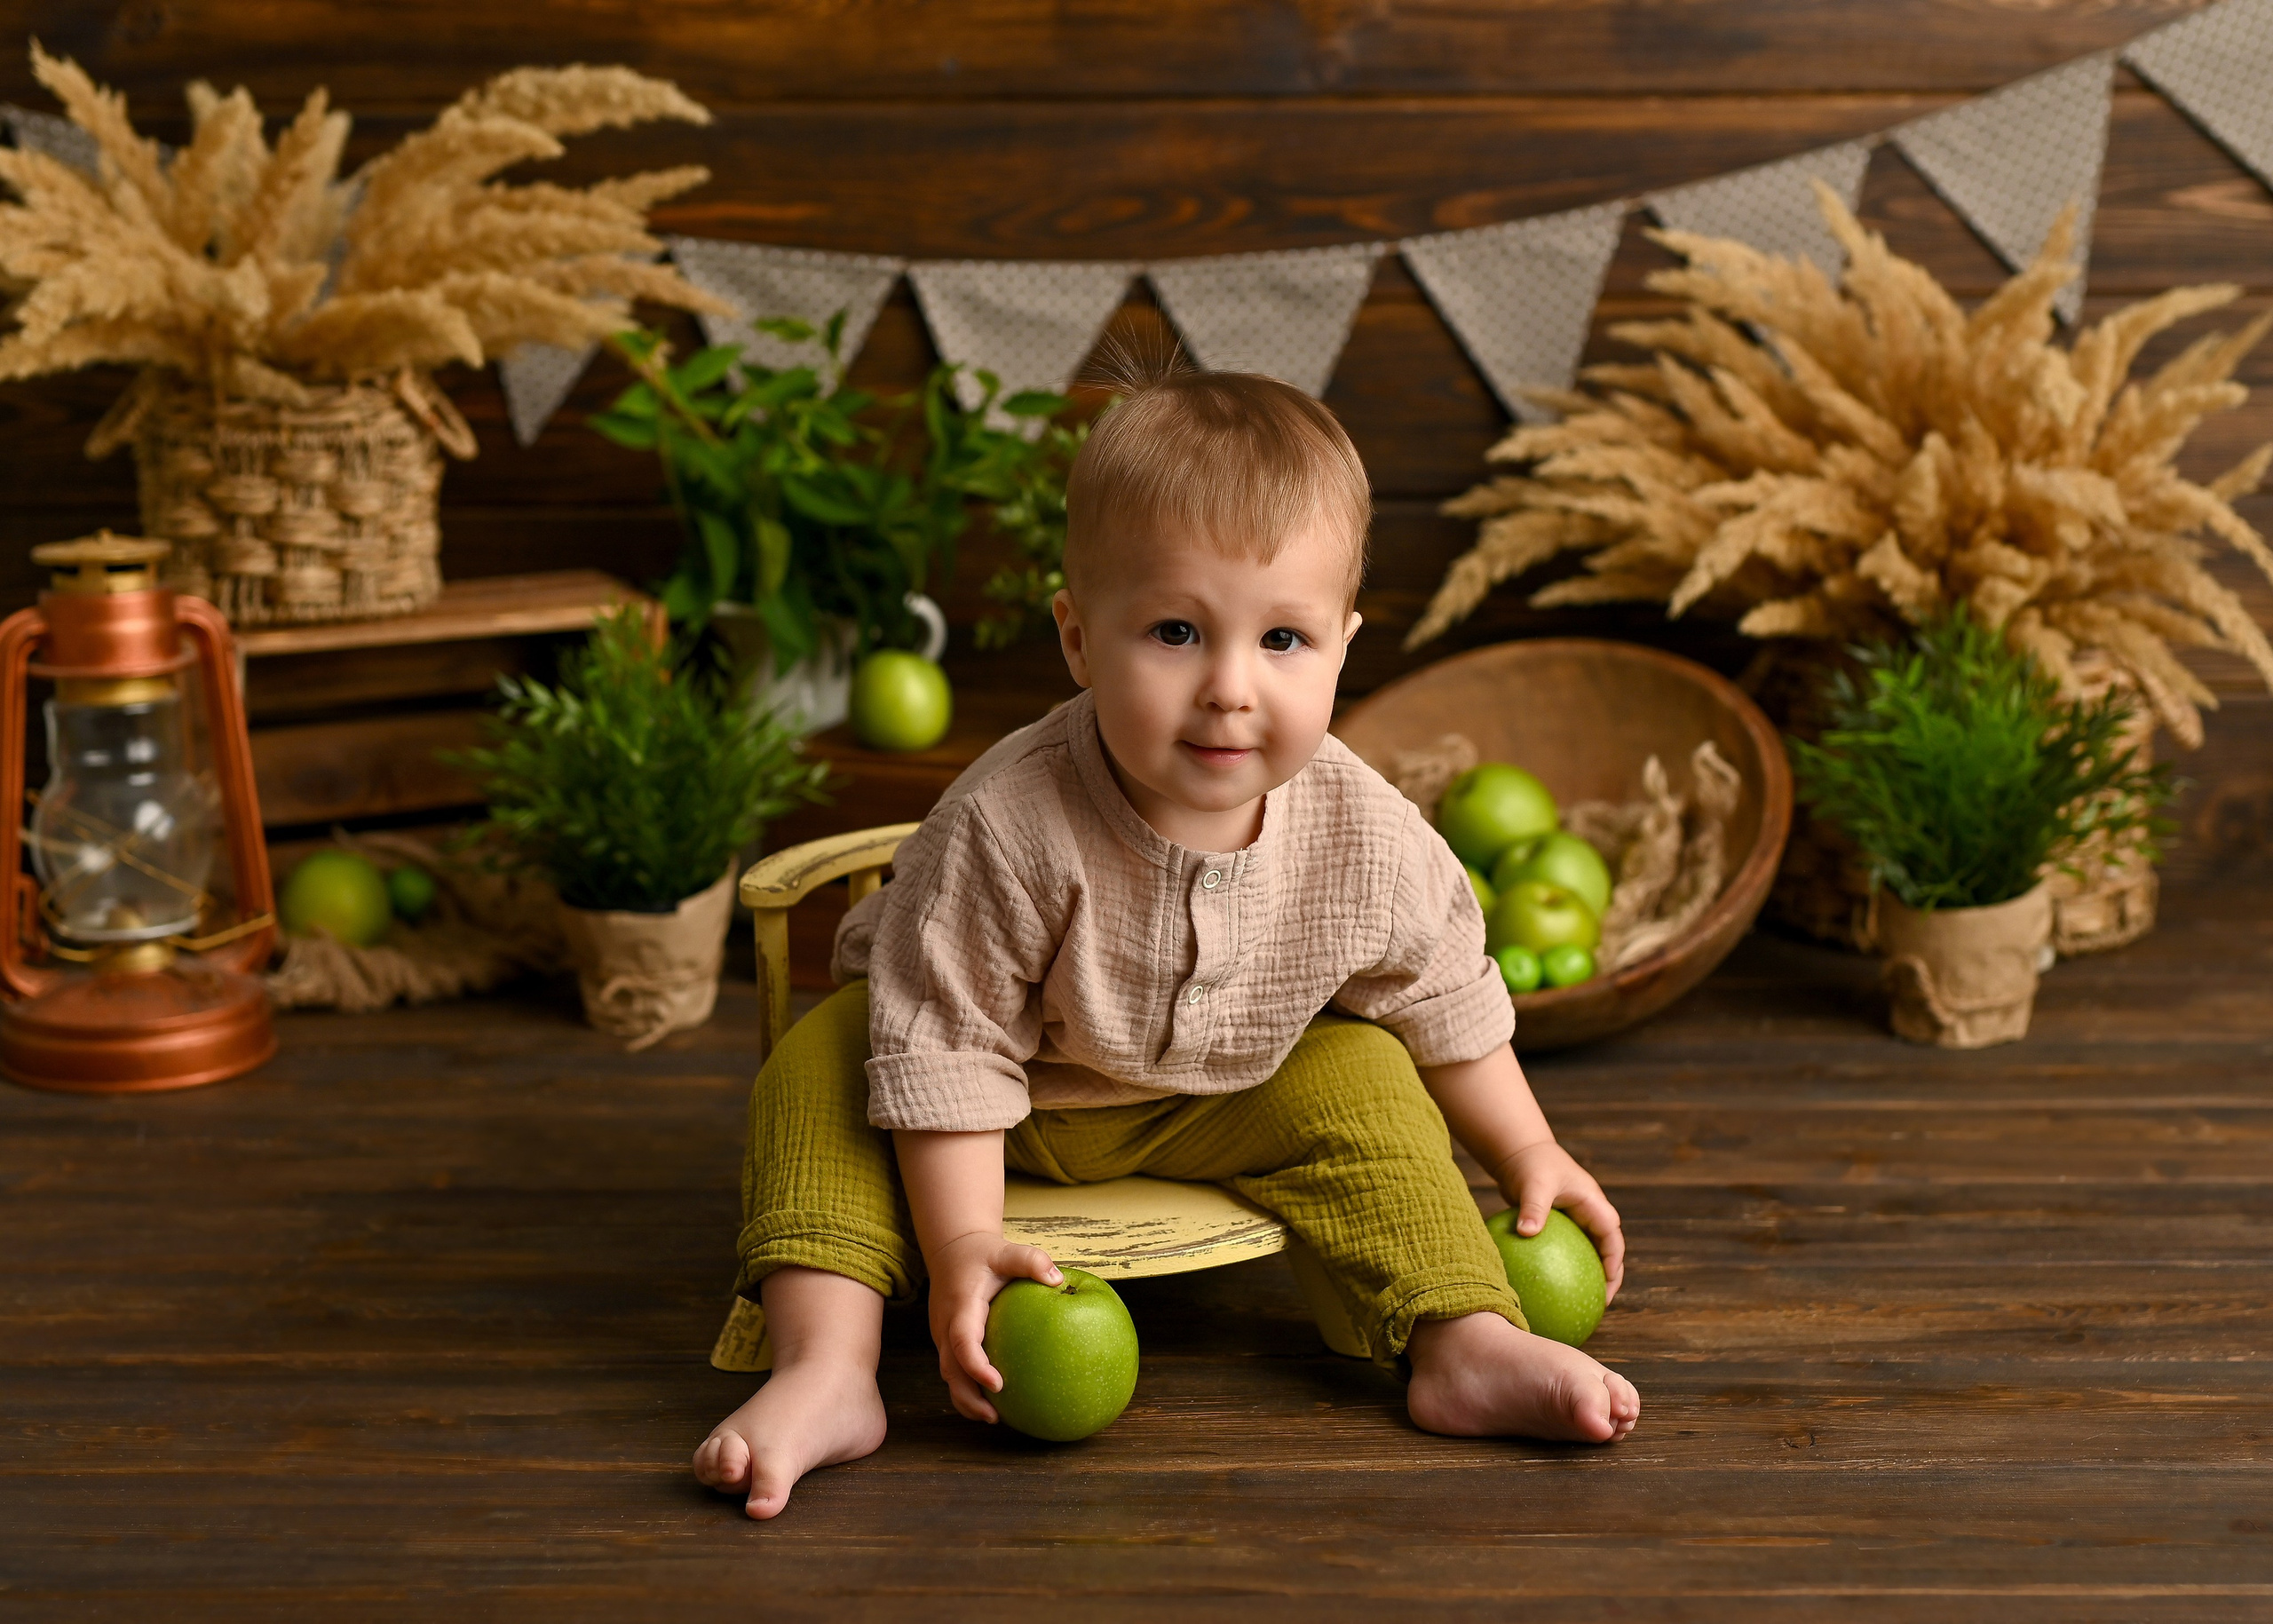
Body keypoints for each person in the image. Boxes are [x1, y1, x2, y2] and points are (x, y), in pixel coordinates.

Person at [695, 364, 1640, 1519]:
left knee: (1372, 1071)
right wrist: (965, 1242)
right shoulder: (1006, 826)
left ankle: (1462, 1334)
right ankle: (829, 1366)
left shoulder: (1366, 833)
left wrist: (1529, 1151)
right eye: (1178, 631)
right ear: (1080, 637)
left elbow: (1442, 990)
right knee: (824, 1064)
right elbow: (943, 1046)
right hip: (1006, 1097)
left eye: (1284, 637)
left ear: (1345, 643)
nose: (1231, 689)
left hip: (1220, 1091)